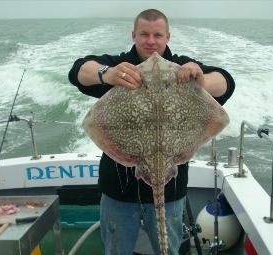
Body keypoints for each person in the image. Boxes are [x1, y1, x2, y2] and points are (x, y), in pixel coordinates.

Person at [69, 9, 235, 255]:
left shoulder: (182, 67)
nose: (151, 40)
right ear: (134, 35)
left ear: (167, 37)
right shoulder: (119, 68)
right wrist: (108, 74)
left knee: (169, 249)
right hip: (118, 190)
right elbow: (78, 70)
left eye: (158, 35)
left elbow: (226, 82)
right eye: (144, 34)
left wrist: (200, 81)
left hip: (172, 189)